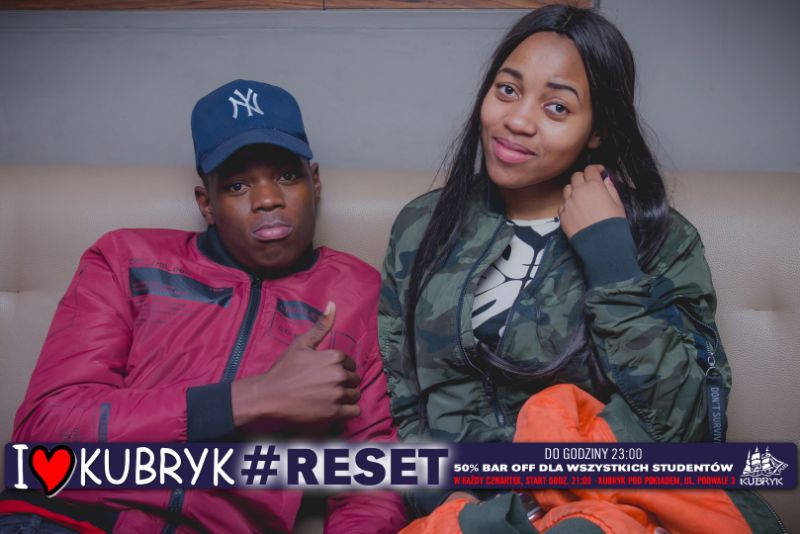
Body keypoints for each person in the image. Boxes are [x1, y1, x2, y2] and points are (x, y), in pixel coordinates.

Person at [378, 6, 781, 532]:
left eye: (557, 107)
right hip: (469, 511)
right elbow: (403, 390)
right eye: (507, 90)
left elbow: (688, 426)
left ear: (597, 131)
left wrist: (611, 260)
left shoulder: (657, 238)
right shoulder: (423, 226)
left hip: (608, 507)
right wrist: (443, 498)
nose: (518, 120)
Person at [1, 79, 405, 533]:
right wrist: (252, 398)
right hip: (64, 520)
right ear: (206, 204)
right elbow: (44, 430)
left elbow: (373, 482)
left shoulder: (358, 293)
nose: (267, 199)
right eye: (237, 185)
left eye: (286, 176)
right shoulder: (124, 259)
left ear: (315, 183)